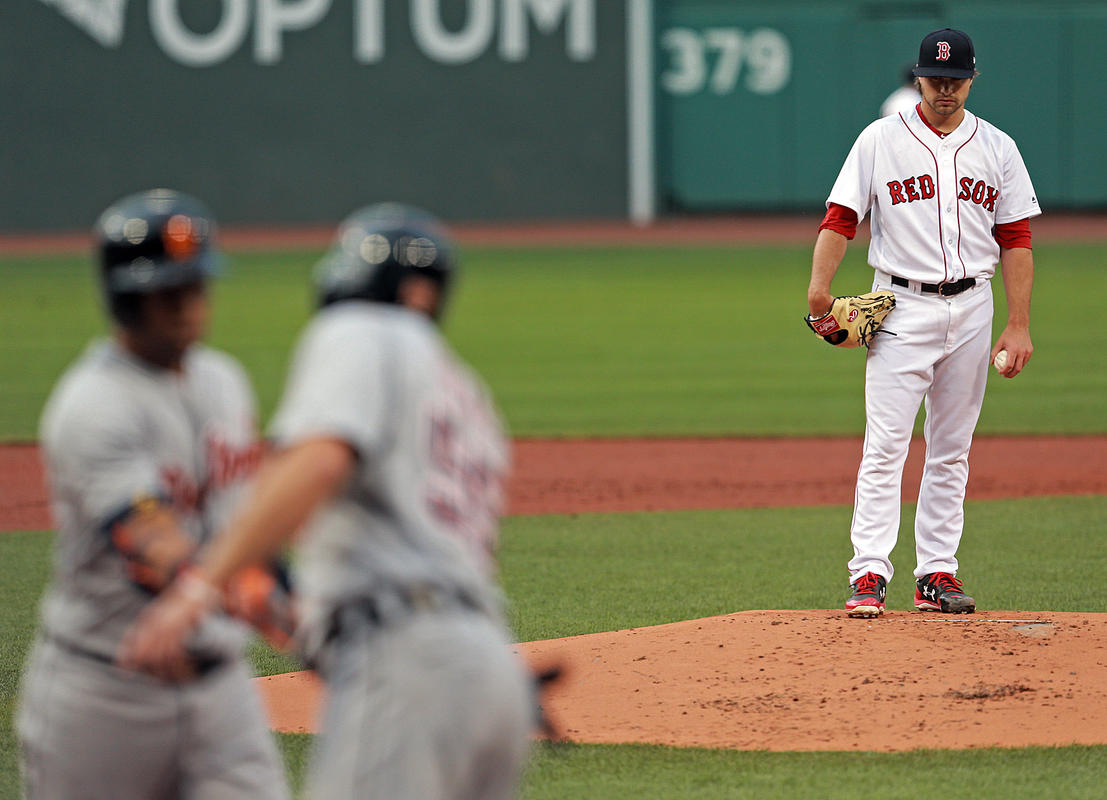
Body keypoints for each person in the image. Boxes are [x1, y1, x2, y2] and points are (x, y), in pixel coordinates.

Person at [119, 203, 535, 800]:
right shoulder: (464, 392)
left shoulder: (360, 330)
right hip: (488, 663)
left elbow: (318, 460)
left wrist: (197, 590)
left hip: (406, 657)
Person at [17, 189, 291, 798]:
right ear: (124, 297)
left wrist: (296, 593)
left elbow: (242, 523)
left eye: (196, 286)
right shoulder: (93, 404)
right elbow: (151, 538)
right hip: (105, 696)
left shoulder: (224, 382)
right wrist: (246, 591)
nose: (188, 304)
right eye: (169, 290)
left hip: (222, 692)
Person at [806, 29, 1039, 618]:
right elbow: (841, 219)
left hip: (973, 306)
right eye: (935, 80)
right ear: (918, 79)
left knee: (952, 448)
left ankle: (936, 571)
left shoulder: (998, 147)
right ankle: (868, 574)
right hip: (900, 306)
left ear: (971, 80)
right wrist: (818, 292)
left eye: (956, 80)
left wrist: (1020, 325)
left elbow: (1015, 238)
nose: (945, 90)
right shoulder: (880, 140)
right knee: (885, 446)